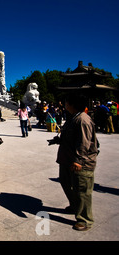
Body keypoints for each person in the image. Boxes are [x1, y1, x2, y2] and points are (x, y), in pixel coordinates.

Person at [51, 93, 99, 231]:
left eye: (66, 102)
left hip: (80, 161)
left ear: (72, 104)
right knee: (65, 181)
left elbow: (84, 142)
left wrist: (78, 160)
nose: (64, 104)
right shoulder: (73, 117)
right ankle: (74, 205)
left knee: (82, 190)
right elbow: (70, 137)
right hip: (67, 159)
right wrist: (57, 140)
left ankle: (85, 219)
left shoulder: (83, 120)